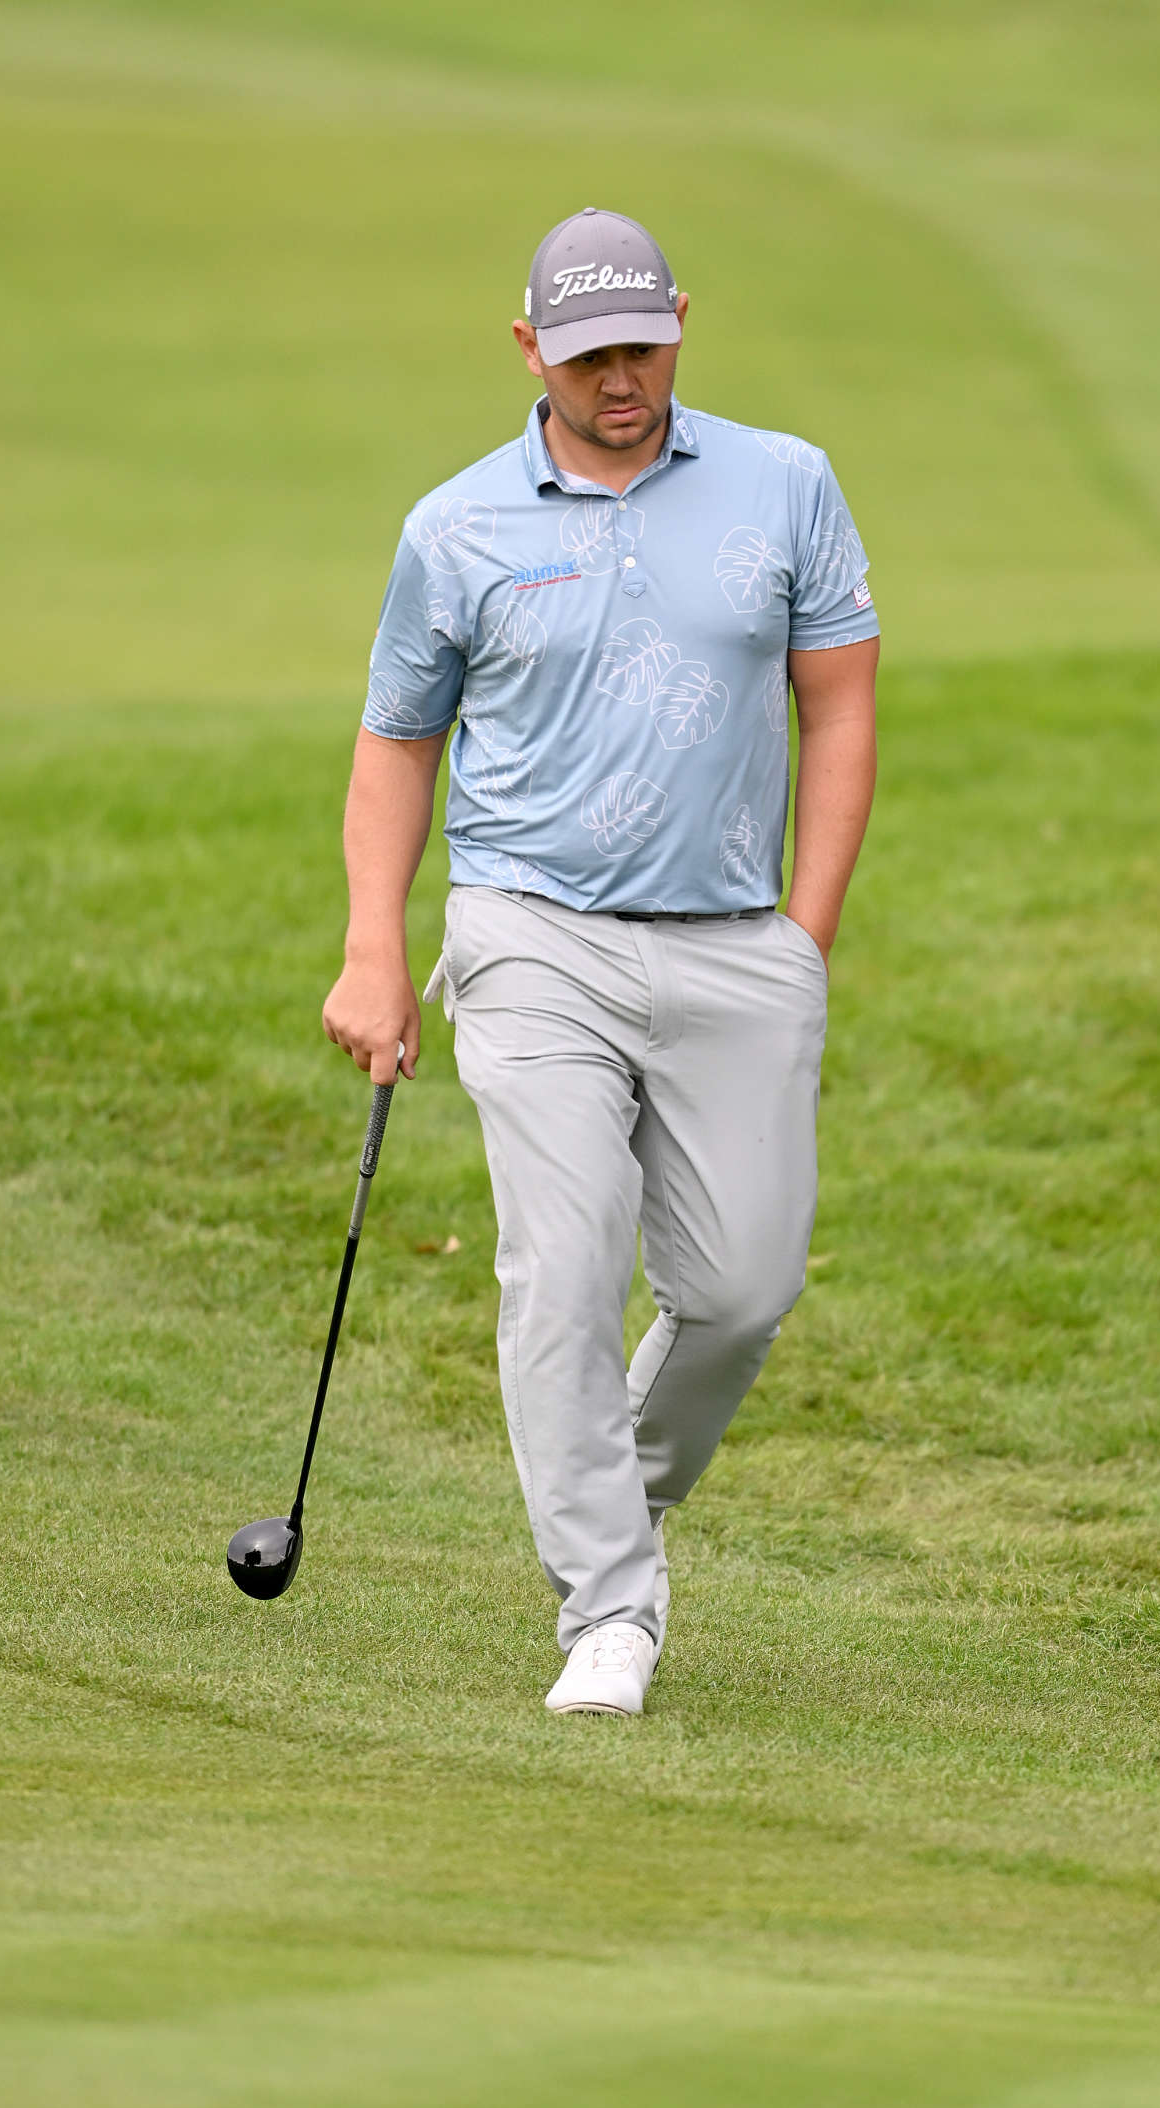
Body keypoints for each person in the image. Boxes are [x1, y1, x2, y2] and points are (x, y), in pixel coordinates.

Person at [322, 207, 879, 1716]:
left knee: (744, 1288)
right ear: (530, 350)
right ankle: (608, 1608)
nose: (619, 378)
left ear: (682, 322)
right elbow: (395, 746)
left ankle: (600, 1486)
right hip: (530, 938)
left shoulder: (788, 484)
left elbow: (841, 704)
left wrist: (804, 936)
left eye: (642, 346)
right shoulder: (457, 527)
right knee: (562, 1273)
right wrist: (378, 951)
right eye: (586, 356)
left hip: (736, 943)